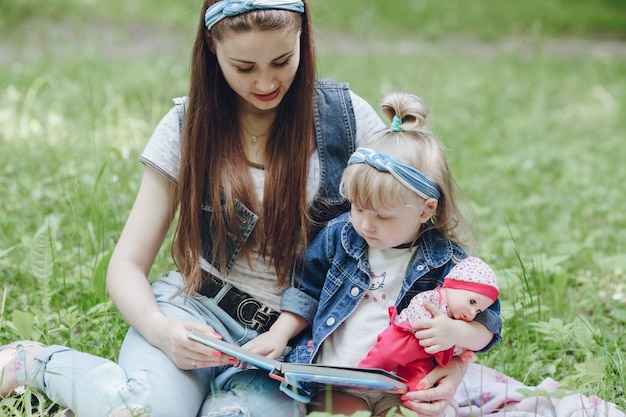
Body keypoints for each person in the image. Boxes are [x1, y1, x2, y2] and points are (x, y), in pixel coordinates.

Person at [0, 1, 467, 417]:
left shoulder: (349, 119)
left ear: (303, 37)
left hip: (292, 348)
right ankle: (31, 361)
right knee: (139, 409)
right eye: (244, 66)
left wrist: (458, 362)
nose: (266, 82)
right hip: (196, 312)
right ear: (211, 47)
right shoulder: (186, 126)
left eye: (282, 60)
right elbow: (125, 266)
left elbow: (433, 249)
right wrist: (163, 333)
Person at [243, 92, 502, 416]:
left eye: (382, 216)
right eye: (358, 208)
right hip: (339, 379)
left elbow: (488, 327)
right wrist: (279, 335)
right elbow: (306, 291)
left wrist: (456, 333)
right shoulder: (341, 237)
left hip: (407, 384)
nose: (365, 224)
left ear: (426, 209)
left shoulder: (449, 263)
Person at [359, 256, 500, 391]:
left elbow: (451, 341)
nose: (472, 313)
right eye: (472, 302)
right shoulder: (433, 298)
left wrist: (462, 351)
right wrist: (433, 328)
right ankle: (360, 377)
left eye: (478, 311)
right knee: (383, 356)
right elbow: (417, 306)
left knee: (419, 382)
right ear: (454, 285)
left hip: (425, 354)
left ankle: (414, 402)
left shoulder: (456, 321)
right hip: (405, 337)